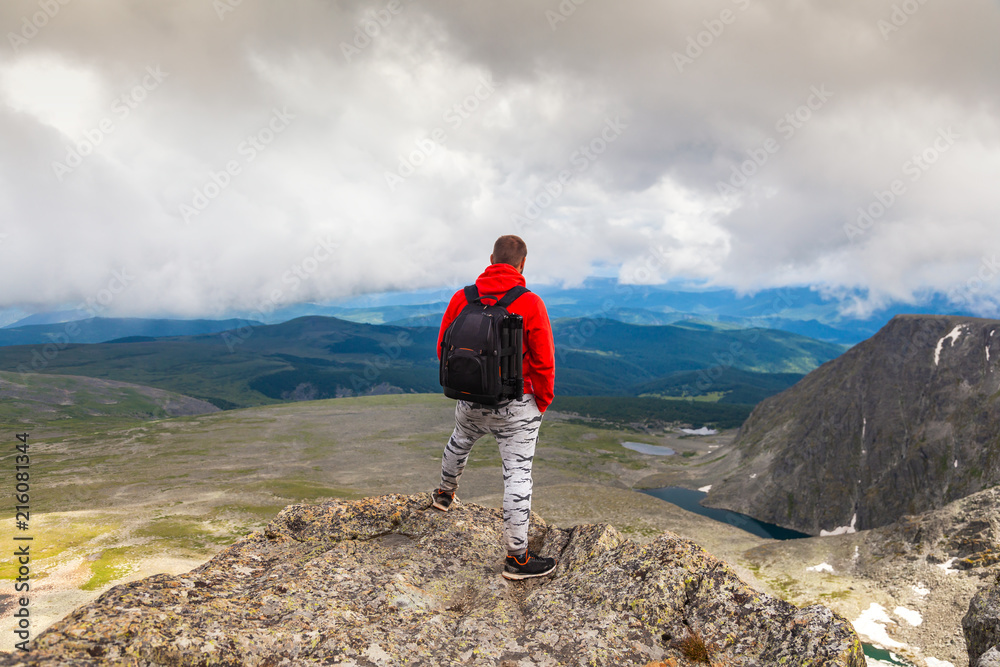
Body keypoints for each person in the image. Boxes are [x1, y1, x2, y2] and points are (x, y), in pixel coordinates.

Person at [432, 235, 557, 580]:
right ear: (523, 264)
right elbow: (544, 362)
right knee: (517, 474)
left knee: (459, 441)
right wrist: (540, 403)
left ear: (490, 259)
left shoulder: (463, 298)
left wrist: (464, 385)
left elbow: (444, 347)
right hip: (517, 406)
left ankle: (444, 495)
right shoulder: (530, 303)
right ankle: (517, 559)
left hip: (470, 397)